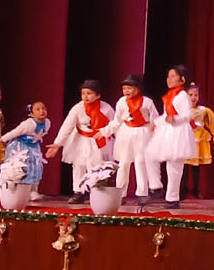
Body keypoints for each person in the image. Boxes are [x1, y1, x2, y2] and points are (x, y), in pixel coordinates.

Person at [46, 80, 114, 203]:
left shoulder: (107, 108)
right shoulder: (78, 108)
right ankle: (78, 192)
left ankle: (97, 192)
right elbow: (67, 126)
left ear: (98, 95)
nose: (85, 96)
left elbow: (114, 124)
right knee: (78, 165)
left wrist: (107, 134)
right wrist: (57, 144)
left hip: (98, 140)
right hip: (80, 140)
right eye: (83, 93)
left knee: (97, 166)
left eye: (89, 93)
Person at [104, 75, 157, 206]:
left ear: (138, 89)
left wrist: (154, 134)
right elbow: (117, 120)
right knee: (124, 163)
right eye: (124, 88)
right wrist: (104, 132)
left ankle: (142, 193)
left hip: (142, 132)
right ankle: (120, 194)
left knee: (140, 162)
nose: (126, 91)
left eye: (129, 88)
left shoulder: (147, 102)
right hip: (126, 133)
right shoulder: (121, 102)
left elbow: (154, 120)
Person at [147, 65, 195, 208]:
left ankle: (172, 199)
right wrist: (155, 122)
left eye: (173, 76)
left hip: (179, 131)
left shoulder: (183, 96)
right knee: (149, 155)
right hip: (169, 130)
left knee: (174, 166)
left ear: (182, 79)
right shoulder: (170, 96)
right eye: (168, 76)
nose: (169, 79)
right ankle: (156, 186)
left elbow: (187, 115)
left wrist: (175, 119)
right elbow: (166, 115)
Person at [184, 84, 214, 200]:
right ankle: (182, 190)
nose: (193, 97)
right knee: (184, 166)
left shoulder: (203, 110)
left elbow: (212, 122)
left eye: (196, 95)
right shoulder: (182, 110)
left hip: (198, 139)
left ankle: (196, 189)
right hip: (185, 138)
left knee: (196, 167)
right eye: (190, 95)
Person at [0, 102, 50, 187]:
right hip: (21, 146)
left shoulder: (47, 122)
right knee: (22, 166)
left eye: (43, 108)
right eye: (38, 109)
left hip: (34, 146)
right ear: (32, 114)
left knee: (35, 166)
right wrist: (2, 139)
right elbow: (15, 132)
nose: (42, 111)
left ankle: (32, 188)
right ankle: (19, 187)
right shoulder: (29, 123)